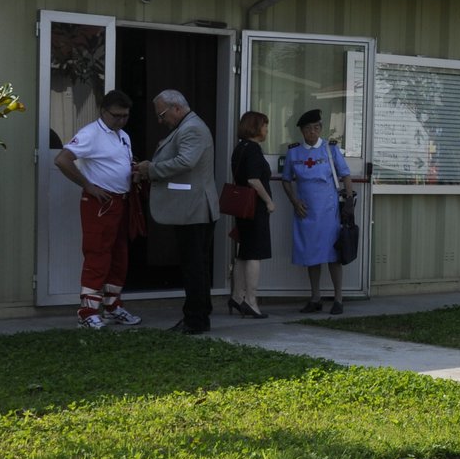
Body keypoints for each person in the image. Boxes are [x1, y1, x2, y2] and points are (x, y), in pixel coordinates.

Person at [53, 89, 144, 329]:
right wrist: (88, 185)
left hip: (121, 201)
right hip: (101, 203)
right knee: (98, 254)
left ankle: (113, 306)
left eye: (125, 116)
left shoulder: (122, 135)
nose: (121, 120)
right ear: (103, 111)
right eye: (116, 115)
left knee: (119, 255)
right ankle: (87, 311)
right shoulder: (90, 134)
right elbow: (62, 159)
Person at [135, 89, 219, 333]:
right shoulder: (188, 126)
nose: (161, 121)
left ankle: (195, 319)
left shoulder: (192, 128)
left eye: (162, 115)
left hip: (195, 209)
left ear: (177, 108)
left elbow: (185, 162)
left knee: (194, 266)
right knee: (196, 265)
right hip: (192, 208)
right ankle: (199, 314)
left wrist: (150, 169)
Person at [283, 109, 356, 314]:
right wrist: (294, 201)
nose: (312, 132)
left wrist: (349, 201)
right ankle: (315, 298)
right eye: (308, 129)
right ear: (301, 131)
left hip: (329, 212)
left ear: (321, 128)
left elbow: (346, 175)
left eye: (316, 128)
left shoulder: (330, 149)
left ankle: (338, 299)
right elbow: (286, 180)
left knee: (333, 255)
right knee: (311, 256)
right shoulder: (294, 152)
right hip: (305, 212)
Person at [228, 110, 278, 318]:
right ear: (256, 128)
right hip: (255, 207)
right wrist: (269, 201)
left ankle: (237, 296)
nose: (267, 130)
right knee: (254, 254)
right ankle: (251, 300)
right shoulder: (254, 150)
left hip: (242, 208)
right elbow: (253, 179)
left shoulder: (240, 148)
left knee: (243, 253)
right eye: (265, 126)